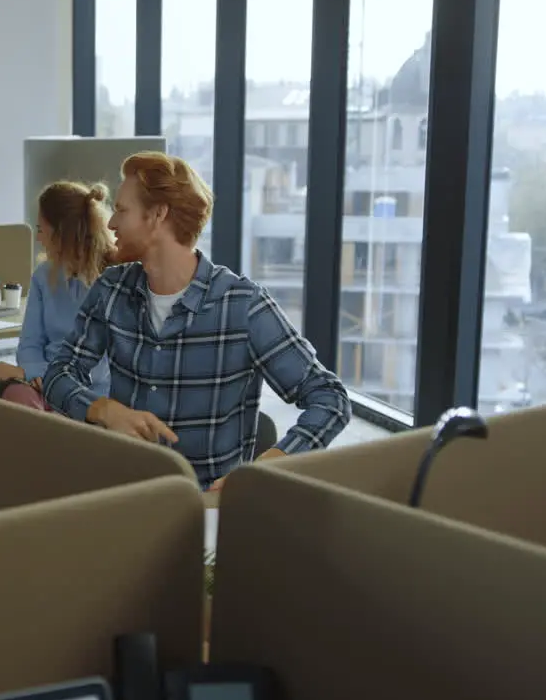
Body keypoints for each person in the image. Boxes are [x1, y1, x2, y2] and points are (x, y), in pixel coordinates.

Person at [44, 152, 351, 490]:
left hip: (207, 510)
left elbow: (330, 398)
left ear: (158, 214)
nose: (111, 223)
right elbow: (59, 373)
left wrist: (264, 470)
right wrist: (103, 410)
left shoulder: (243, 306)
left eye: (121, 210)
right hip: (125, 498)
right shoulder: (111, 290)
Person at [0, 181, 116, 411]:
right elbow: (30, 342)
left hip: (92, 393)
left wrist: (30, 372)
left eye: (41, 230)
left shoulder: (111, 279)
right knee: (17, 398)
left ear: (61, 233)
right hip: (43, 385)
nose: (38, 238)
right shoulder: (43, 276)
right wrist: (35, 374)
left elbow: (100, 368)